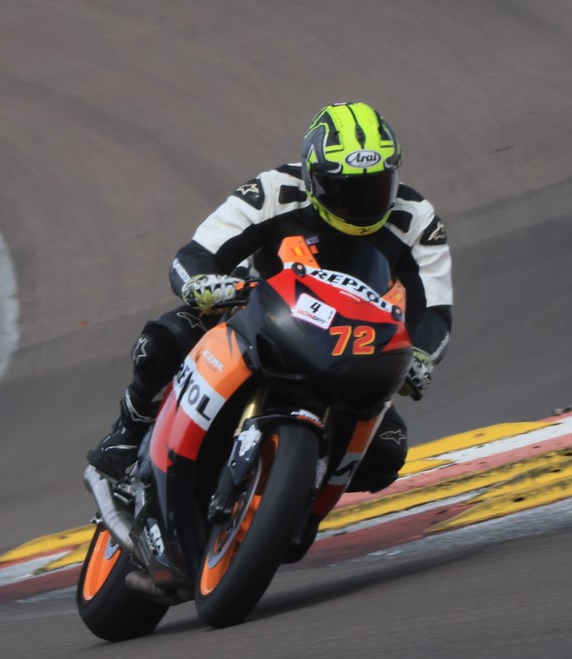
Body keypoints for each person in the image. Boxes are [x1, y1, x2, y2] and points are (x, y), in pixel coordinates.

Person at [86, 101, 453, 504]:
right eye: (343, 189)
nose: (361, 203)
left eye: (377, 186)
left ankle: (295, 496)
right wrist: (201, 284)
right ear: (312, 178)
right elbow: (196, 252)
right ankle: (127, 432)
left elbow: (435, 309)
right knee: (165, 341)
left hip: (349, 343)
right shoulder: (274, 190)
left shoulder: (417, 219)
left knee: (386, 452)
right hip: (255, 316)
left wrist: (420, 356)